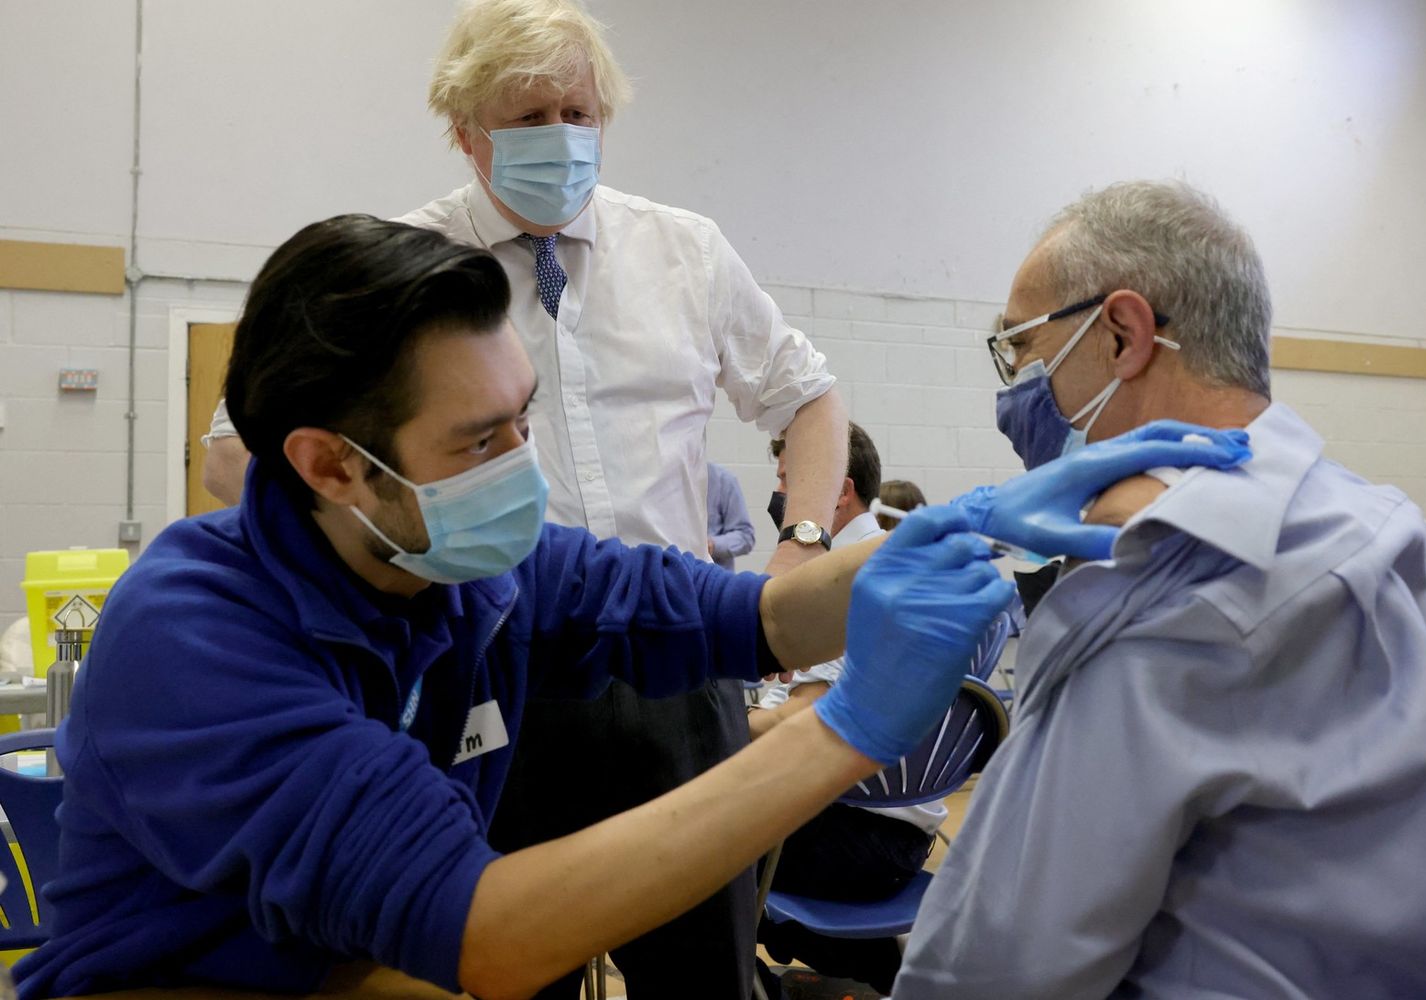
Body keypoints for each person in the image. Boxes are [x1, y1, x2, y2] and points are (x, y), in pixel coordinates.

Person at [17, 215, 1246, 999]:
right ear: (331, 464)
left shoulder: (472, 569)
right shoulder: (197, 638)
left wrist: (952, 531)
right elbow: (491, 931)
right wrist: (847, 730)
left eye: (521, 415)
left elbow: (746, 619)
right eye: (479, 438)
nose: (520, 463)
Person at [201, 3, 849, 995]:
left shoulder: (685, 252)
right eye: (528, 116)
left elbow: (807, 398)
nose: (560, 137)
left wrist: (801, 543)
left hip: (670, 660)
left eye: (577, 111)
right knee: (496, 963)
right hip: (486, 670)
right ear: (465, 131)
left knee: (706, 972)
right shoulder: (399, 270)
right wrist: (397, 551)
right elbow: (233, 457)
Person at [892, 180, 1426, 998]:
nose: (1013, 391)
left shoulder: (1165, 599)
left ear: (1122, 333)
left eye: (1020, 350)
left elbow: (995, 968)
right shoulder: (1424, 553)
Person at [751, 424, 934, 997]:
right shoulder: (876, 559)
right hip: (894, 834)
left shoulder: (852, 575)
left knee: (676, 849)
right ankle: (876, 972)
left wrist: (706, 725)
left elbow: (800, 722)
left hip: (856, 835)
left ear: (839, 490)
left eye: (788, 481)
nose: (781, 495)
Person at [707, 462, 755, 571]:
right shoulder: (663, 480)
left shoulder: (723, 480)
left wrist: (712, 544)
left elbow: (745, 536)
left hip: (714, 580)